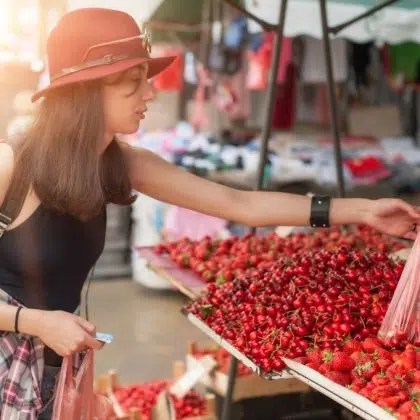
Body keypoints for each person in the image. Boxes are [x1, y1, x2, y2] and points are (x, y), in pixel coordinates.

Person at [0, 8, 418, 419]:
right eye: (131, 83)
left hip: (54, 364)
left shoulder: (119, 162)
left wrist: (364, 209)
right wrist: (32, 321)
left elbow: (241, 205)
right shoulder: (10, 168)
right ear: (84, 92)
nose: (149, 93)